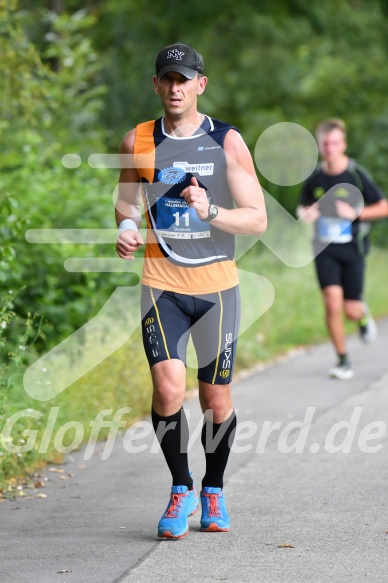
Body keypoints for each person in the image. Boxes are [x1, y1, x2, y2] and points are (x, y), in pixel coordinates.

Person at [115, 42, 266, 538]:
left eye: (185, 79)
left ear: (200, 84)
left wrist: (211, 212)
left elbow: (257, 219)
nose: (175, 88)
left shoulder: (227, 142)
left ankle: (214, 491)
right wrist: (127, 225)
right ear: (156, 84)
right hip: (161, 285)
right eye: (167, 79)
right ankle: (181, 487)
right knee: (167, 387)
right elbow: (126, 201)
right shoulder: (137, 140)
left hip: (217, 288)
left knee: (215, 399)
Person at [297, 118, 388, 380]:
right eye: (325, 143)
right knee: (331, 303)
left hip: (352, 250)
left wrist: (356, 213)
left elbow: (383, 206)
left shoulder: (356, 175)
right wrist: (307, 213)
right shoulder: (315, 177)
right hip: (324, 249)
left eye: (335, 142)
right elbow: (302, 208)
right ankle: (343, 360)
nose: (330, 148)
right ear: (319, 145)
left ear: (343, 144)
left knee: (350, 308)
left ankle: (361, 317)